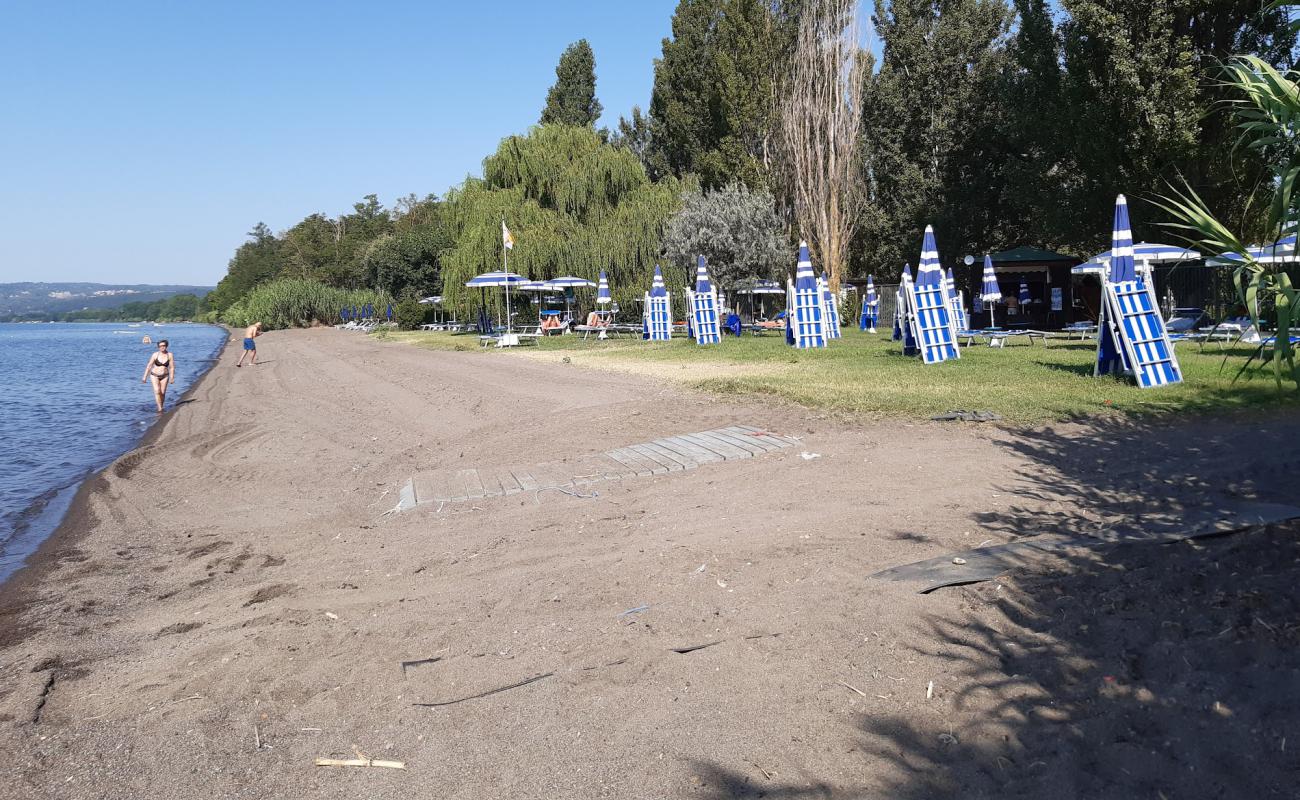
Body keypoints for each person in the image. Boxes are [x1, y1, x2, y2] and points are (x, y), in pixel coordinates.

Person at [141, 339, 175, 413]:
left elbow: (172, 367)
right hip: (154, 375)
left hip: (165, 376)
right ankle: (159, 408)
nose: (162, 347)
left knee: (162, 393)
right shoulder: (155, 355)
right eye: (160, 346)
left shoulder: (170, 355)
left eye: (163, 346)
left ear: (166, 346)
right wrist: (144, 377)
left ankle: (161, 406)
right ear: (158, 347)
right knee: (157, 391)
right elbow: (149, 366)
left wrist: (172, 377)